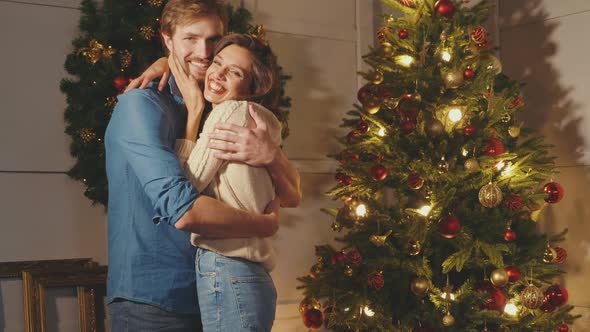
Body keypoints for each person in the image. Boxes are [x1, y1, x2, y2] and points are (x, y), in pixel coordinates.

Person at [104, 0, 301, 330]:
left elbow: (293, 194)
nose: (205, 52)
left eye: (214, 40)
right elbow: (184, 211)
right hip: (153, 299)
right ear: (167, 39)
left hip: (210, 288)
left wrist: (272, 156)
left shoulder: (221, 105)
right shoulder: (140, 106)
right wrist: (263, 225)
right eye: (191, 39)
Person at [165, 32, 295, 332]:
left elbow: (184, 188)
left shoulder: (229, 112)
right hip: (249, 273)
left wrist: (193, 115)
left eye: (234, 72)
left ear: (252, 86)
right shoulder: (259, 121)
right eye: (218, 63)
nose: (218, 74)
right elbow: (291, 195)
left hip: (227, 265)